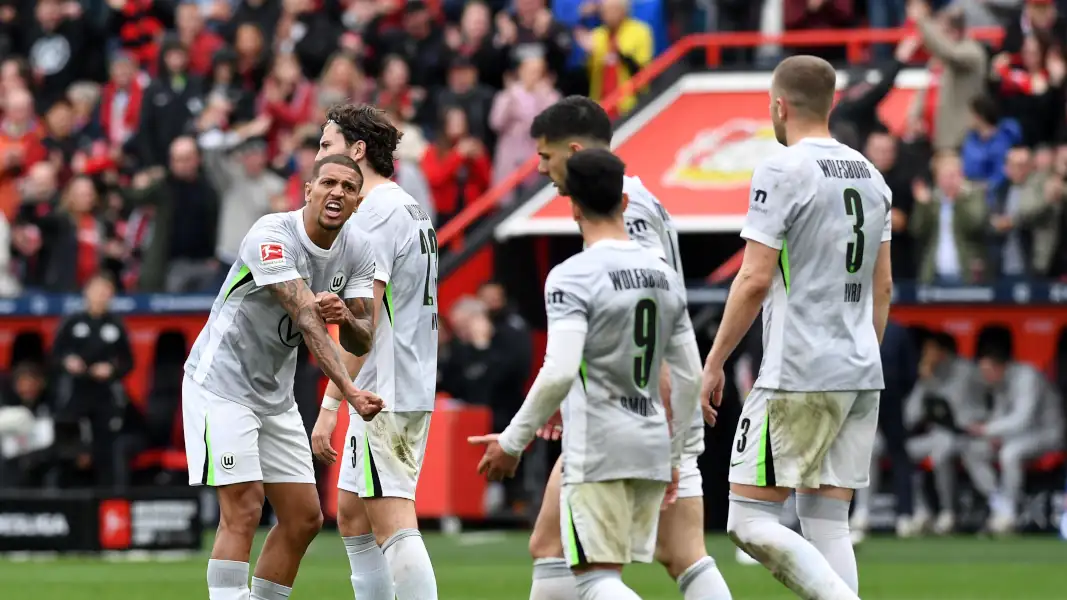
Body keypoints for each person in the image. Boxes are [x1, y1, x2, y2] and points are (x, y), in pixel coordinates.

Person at [515, 95, 732, 600]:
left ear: (572, 150)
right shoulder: (636, 197)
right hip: (641, 407)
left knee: (582, 556)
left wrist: (661, 417)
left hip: (630, 415)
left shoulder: (624, 212)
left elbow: (642, 311)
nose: (541, 168)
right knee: (672, 553)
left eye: (546, 157)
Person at [700, 55, 893, 600]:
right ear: (831, 103)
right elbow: (882, 287)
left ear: (779, 106)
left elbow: (754, 278)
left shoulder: (783, 168)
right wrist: (860, 358)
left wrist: (712, 363)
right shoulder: (872, 175)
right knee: (826, 521)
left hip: (799, 369)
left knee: (747, 518)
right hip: (858, 367)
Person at [471, 148, 700, 600]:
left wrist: (512, 441)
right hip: (651, 440)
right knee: (578, 561)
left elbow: (558, 371)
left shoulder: (571, 276)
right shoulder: (663, 274)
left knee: (596, 579)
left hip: (598, 443)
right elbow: (689, 374)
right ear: (626, 202)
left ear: (573, 205)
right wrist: (675, 455)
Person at [183, 153, 385, 600]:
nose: (337, 193)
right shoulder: (271, 235)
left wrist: (347, 320)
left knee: (304, 518)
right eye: (328, 183)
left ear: (357, 201)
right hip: (221, 384)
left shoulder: (359, 248)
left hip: (274, 395)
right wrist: (349, 391)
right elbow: (307, 320)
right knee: (244, 507)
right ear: (308, 189)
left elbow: (363, 337)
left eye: (348, 188)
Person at [312, 104, 440, 600]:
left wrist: (328, 409)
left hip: (384, 385)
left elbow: (364, 321)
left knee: (392, 520)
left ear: (357, 150)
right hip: (404, 377)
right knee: (351, 514)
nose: (320, 158)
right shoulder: (409, 206)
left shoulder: (375, 213)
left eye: (327, 146)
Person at [963, 346, 1065, 534]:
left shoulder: (1028, 377)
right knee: (973, 451)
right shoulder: (1000, 384)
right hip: (1017, 435)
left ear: (1000, 367)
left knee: (1010, 453)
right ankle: (1000, 504)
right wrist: (992, 434)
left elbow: (1023, 418)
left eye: (987, 371)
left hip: (1048, 433)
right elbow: (1001, 414)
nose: (984, 376)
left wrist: (987, 429)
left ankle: (1008, 514)